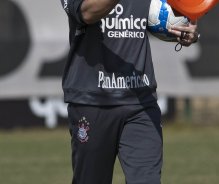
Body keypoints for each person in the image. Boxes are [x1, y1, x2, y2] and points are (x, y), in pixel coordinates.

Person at [60, 0, 199, 183]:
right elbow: (87, 12)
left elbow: (164, 14)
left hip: (141, 101)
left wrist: (185, 31)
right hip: (92, 101)